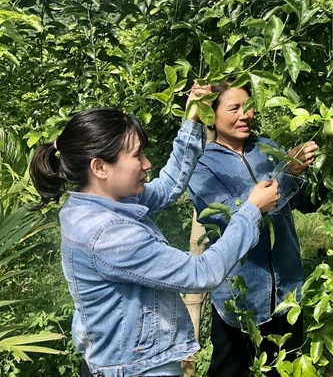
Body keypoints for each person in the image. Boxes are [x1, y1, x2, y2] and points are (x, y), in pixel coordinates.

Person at [29, 84, 281, 377]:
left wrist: (192, 121)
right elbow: (202, 274)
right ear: (100, 167)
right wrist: (251, 211)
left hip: (120, 360)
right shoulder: (108, 234)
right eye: (137, 156)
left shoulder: (95, 202)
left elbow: (165, 189)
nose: (147, 164)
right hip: (137, 370)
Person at [188, 81, 321, 377]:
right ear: (212, 116)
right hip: (240, 298)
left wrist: (323, 170)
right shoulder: (201, 166)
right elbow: (231, 215)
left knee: (284, 370)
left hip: (288, 291)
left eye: (248, 107)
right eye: (234, 108)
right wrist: (287, 172)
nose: (244, 115)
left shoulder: (267, 148)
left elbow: (305, 202)